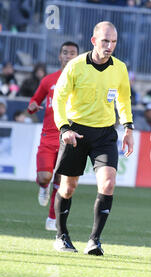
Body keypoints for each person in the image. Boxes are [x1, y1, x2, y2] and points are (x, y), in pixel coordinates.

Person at [52, 21, 134, 255]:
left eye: (114, 42)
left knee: (108, 183)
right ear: (93, 41)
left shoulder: (120, 68)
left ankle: (94, 240)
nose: (110, 46)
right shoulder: (75, 66)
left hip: (105, 133)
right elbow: (59, 99)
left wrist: (128, 127)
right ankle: (61, 236)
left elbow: (124, 99)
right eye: (105, 41)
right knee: (68, 188)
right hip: (75, 132)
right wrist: (64, 128)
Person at [27, 41, 79, 231]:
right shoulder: (49, 80)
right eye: (65, 52)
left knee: (61, 180)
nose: (68, 56)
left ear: (78, 57)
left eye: (72, 53)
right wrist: (32, 106)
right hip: (49, 136)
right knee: (44, 176)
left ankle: (52, 218)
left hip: (69, 137)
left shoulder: (82, 81)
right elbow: (35, 99)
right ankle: (43, 186)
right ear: (59, 56)